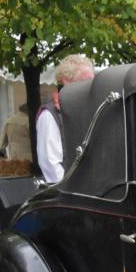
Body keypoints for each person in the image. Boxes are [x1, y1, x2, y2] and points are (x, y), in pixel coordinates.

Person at [37, 53, 95, 183]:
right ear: (66, 82)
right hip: (69, 195)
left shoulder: (90, 109)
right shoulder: (49, 115)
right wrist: (71, 190)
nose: (91, 86)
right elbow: (50, 164)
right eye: (85, 81)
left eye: (92, 81)